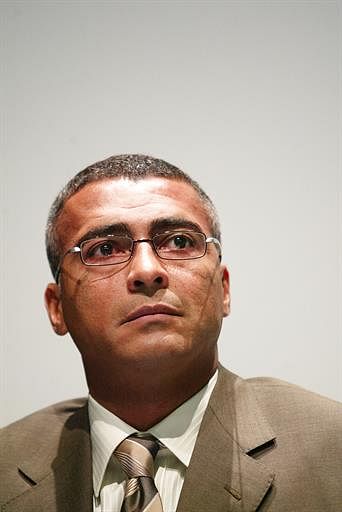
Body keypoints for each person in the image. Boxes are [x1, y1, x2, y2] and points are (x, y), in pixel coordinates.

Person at [1, 154, 341, 512]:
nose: (147, 270)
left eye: (179, 242)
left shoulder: (332, 448)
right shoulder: (7, 468)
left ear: (223, 289)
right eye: (104, 249)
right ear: (57, 308)